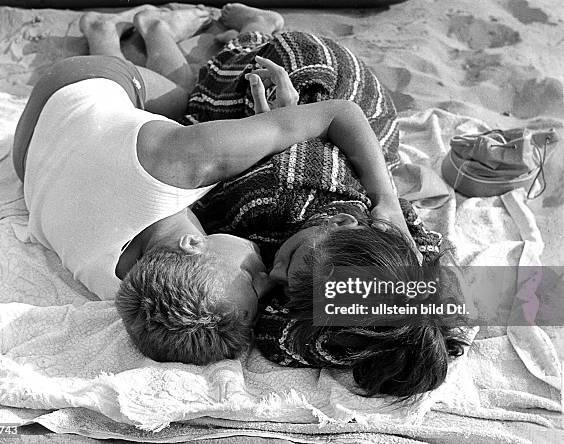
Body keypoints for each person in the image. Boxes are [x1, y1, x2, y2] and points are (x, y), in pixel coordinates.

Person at [11, 4, 413, 366]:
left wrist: (384, 199)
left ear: (192, 243)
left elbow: (336, 113)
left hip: (74, 84)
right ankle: (133, 29)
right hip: (30, 159)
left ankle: (128, 29)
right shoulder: (116, 288)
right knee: (176, 107)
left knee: (185, 101)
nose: (270, 278)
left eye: (254, 283)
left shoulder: (181, 161)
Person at [184, 5, 469, 398]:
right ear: (338, 225)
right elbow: (198, 203)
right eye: (289, 260)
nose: (274, 277)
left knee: (375, 156)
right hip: (311, 71)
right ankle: (257, 28)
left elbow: (452, 311)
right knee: (205, 109)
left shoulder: (394, 258)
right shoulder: (272, 198)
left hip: (352, 123)